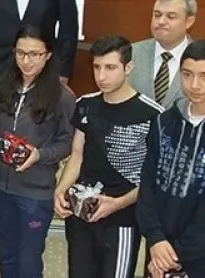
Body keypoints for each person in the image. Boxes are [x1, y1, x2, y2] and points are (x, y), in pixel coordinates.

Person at [54, 35, 163, 278]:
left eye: (110, 68)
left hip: (122, 219)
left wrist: (118, 203)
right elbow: (77, 154)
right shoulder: (85, 104)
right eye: (97, 67)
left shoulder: (152, 115)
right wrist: (61, 190)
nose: (101, 76)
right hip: (81, 213)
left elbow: (154, 178)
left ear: (128, 67)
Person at [0, 25, 75, 278]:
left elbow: (67, 142)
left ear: (48, 55)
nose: (26, 61)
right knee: (6, 257)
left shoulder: (62, 96)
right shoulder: (1, 86)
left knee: (28, 262)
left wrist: (40, 154)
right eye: (20, 53)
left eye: (34, 54)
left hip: (35, 193)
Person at [137, 40, 205, 278]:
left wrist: (175, 256)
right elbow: (148, 182)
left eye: (204, 76)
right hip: (159, 247)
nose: (194, 85)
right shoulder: (164, 122)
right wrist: (155, 238)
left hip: (195, 254)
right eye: (187, 74)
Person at [130, 0, 196, 108]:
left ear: (189, 22)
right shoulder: (131, 53)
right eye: (157, 15)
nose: (161, 21)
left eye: (171, 17)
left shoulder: (201, 58)